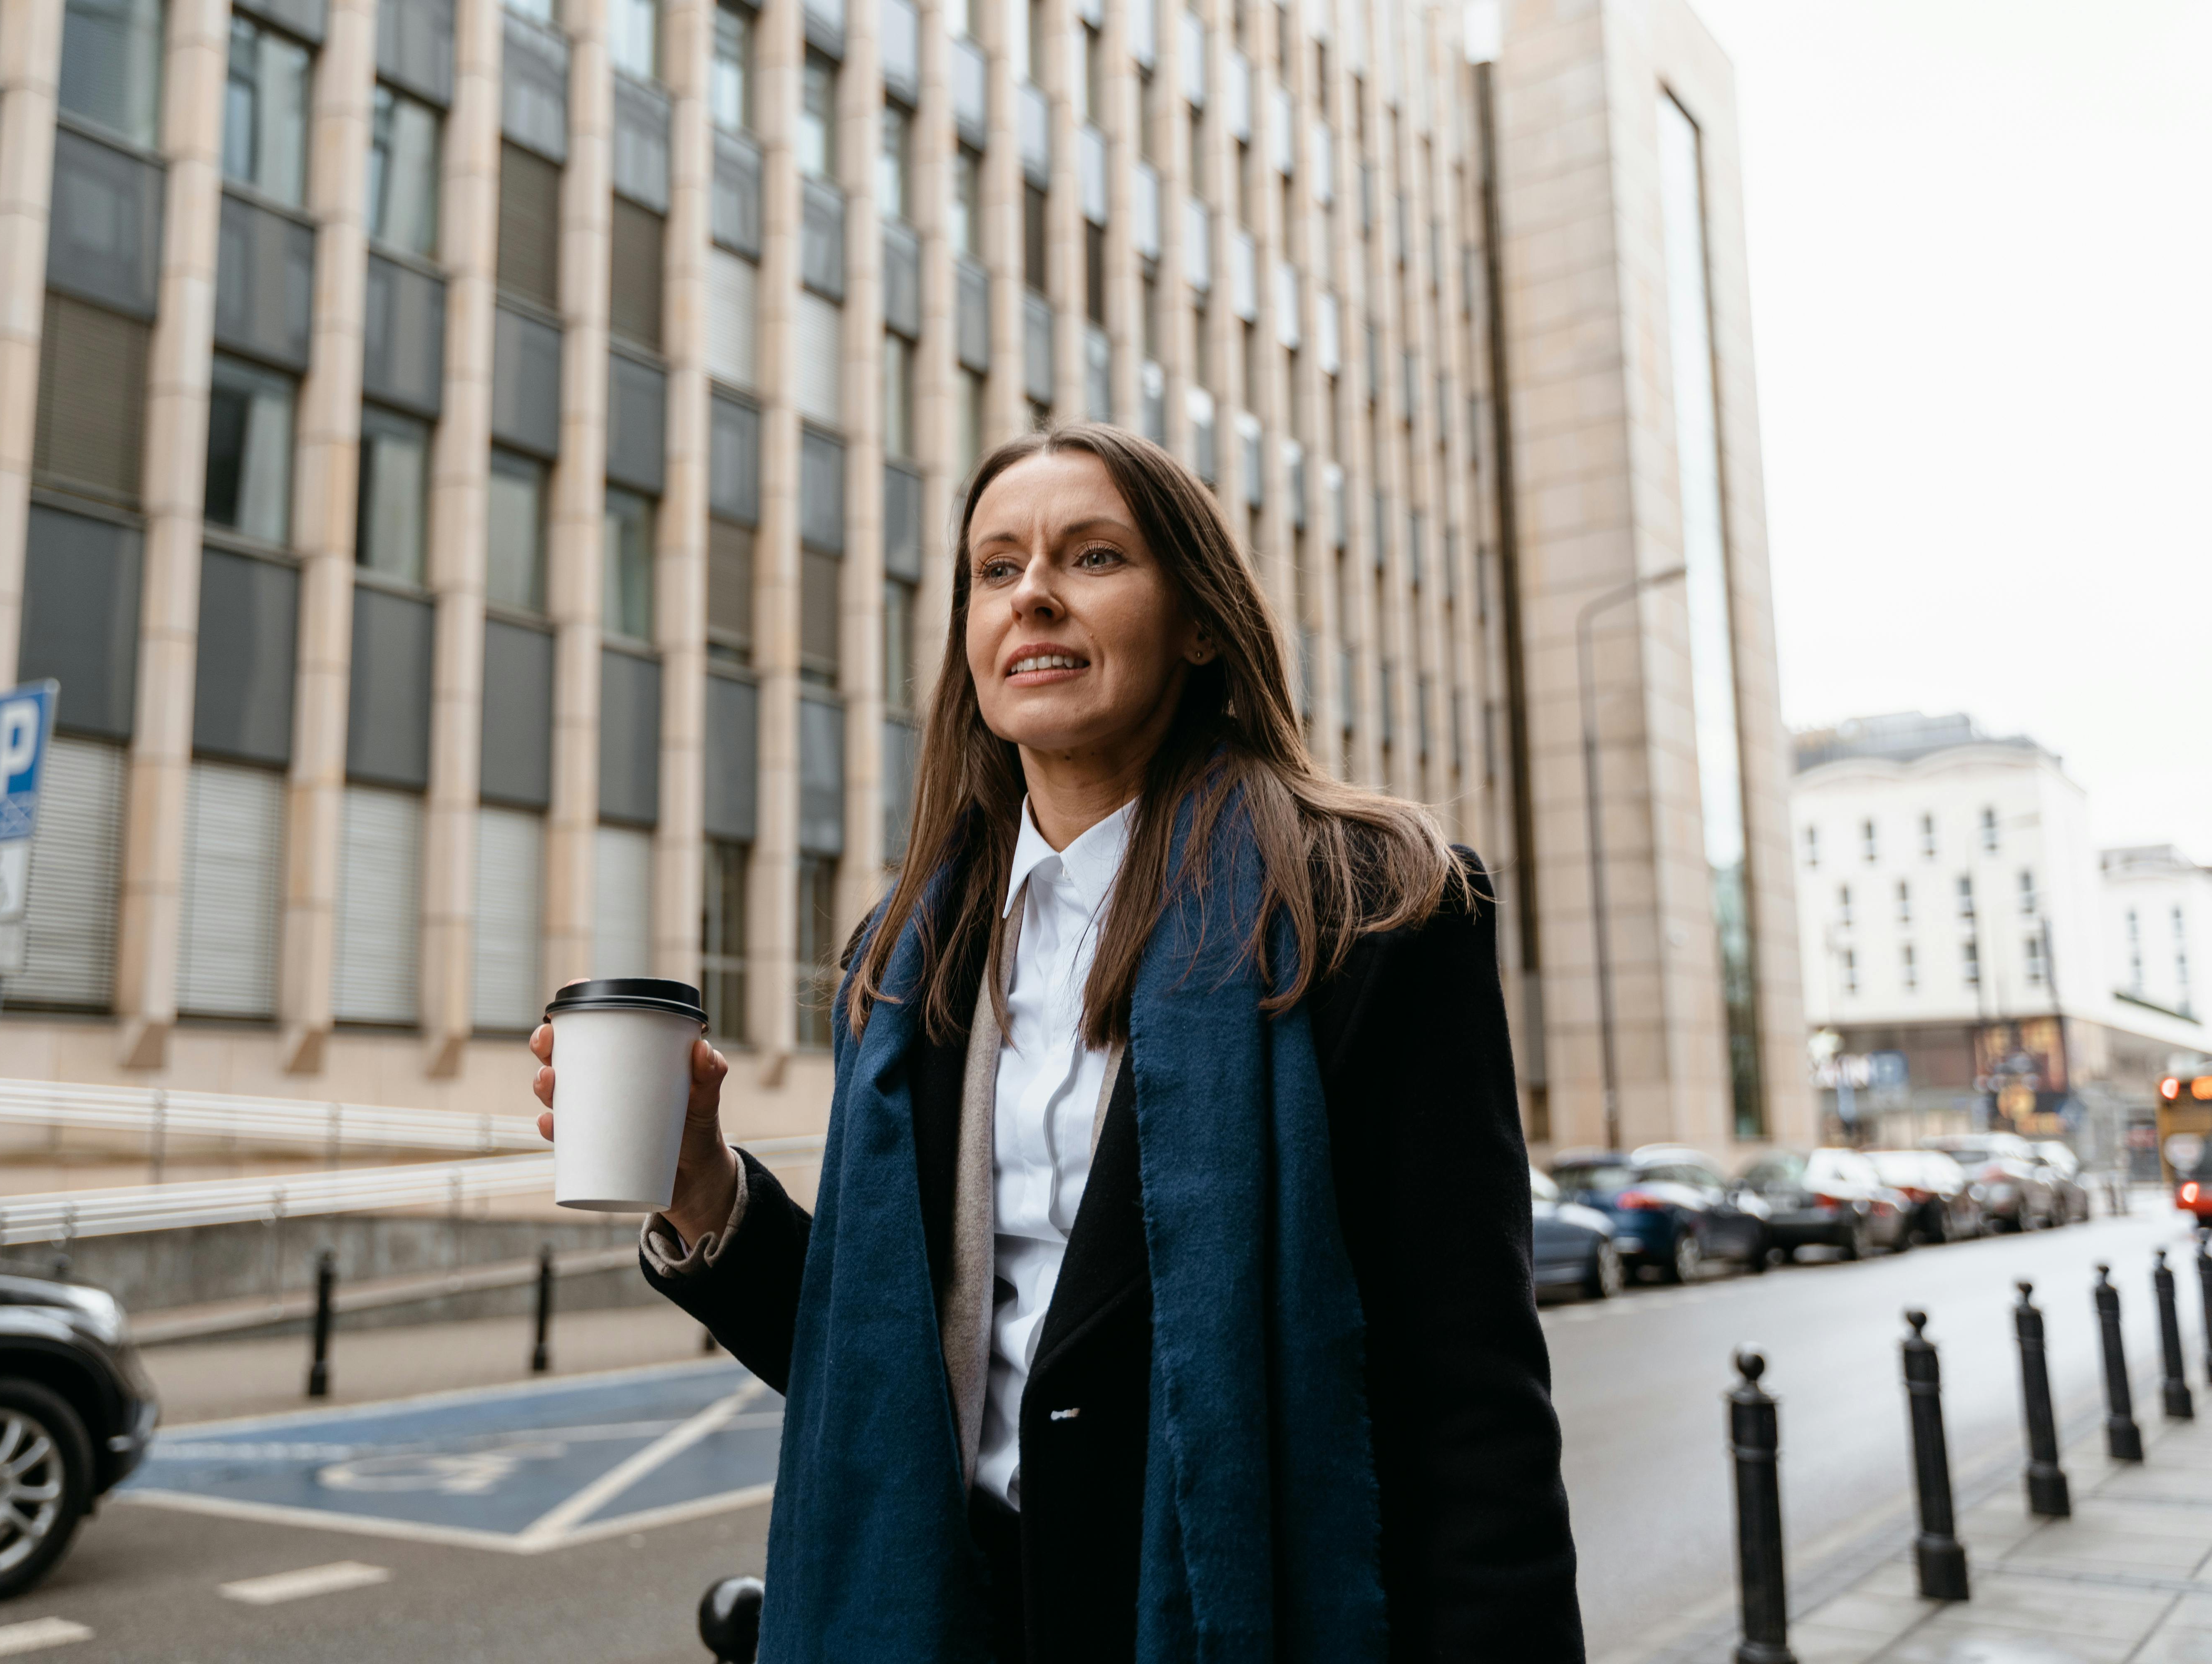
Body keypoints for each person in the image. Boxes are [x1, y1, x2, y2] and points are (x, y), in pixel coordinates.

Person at [531, 423, 1582, 1661]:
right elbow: (880, 1363)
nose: (1031, 593)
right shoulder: (906, 955)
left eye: (1091, 557)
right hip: (958, 1612)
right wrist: (703, 1188)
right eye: (995, 569)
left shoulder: (1375, 906)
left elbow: (1470, 1404)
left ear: (1199, 621)